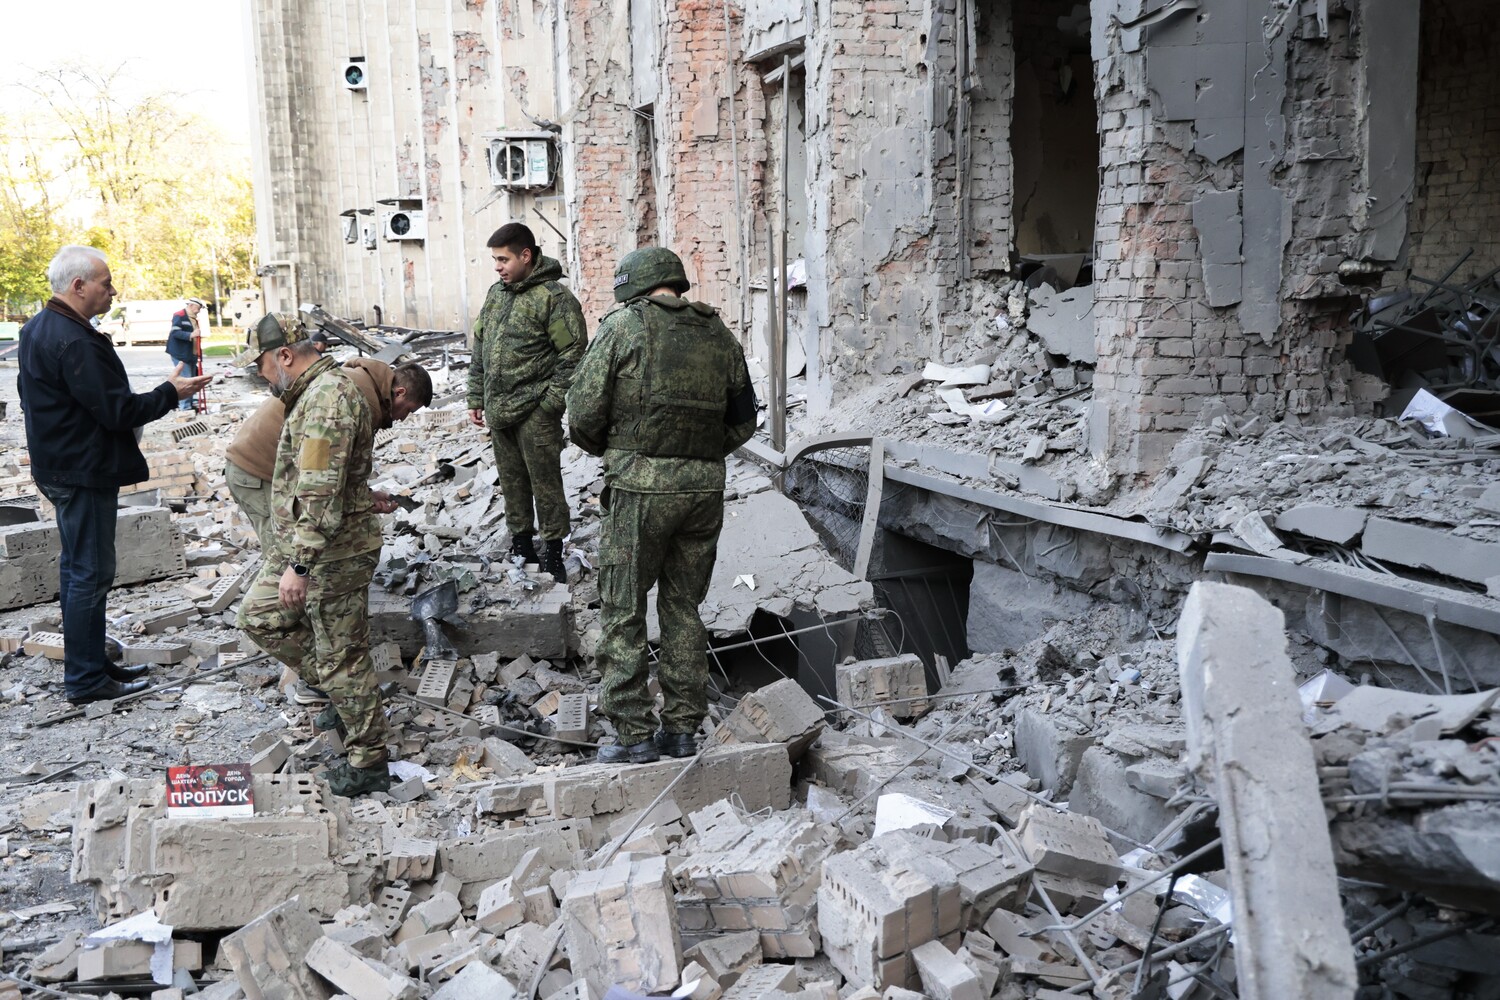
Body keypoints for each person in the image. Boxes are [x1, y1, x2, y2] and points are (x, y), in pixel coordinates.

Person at [565, 247, 757, 764]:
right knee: (683, 609)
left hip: (639, 490)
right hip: (703, 492)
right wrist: (697, 457)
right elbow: (745, 420)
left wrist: (621, 453)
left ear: (632, 285)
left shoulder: (624, 326)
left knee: (623, 607)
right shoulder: (719, 334)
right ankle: (681, 730)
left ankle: (633, 735)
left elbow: (581, 413)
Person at [17, 246, 213, 706]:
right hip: (81, 471)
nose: (113, 290)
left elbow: (34, 397)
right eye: (105, 283)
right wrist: (170, 392)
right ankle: (86, 680)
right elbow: (118, 411)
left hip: (61, 464)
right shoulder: (75, 340)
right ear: (78, 286)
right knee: (89, 573)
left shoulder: (38, 327)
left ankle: (91, 663)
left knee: (77, 571)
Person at [233, 314, 400, 797]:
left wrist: (300, 564)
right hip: (311, 546)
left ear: (285, 356)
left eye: (262, 365)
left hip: (333, 554)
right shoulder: (314, 393)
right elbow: (334, 481)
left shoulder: (327, 399)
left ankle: (368, 760)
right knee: (258, 618)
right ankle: (348, 701)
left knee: (343, 656)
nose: (262, 376)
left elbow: (321, 490)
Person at [467, 222, 585, 582]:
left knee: (545, 484)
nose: (497, 267)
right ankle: (521, 545)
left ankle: (553, 551)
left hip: (535, 410)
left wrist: (550, 404)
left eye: (503, 259)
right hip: (499, 410)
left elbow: (573, 355)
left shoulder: (553, 298)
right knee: (512, 481)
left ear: (526, 256)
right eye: (494, 260)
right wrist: (476, 395)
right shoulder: (496, 295)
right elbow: (480, 347)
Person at [226, 354, 433, 548]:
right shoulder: (361, 398)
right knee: (285, 553)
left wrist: (366, 495)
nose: (403, 418)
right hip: (255, 470)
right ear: (400, 392)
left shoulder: (364, 383)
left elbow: (340, 464)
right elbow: (326, 476)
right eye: (408, 409)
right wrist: (362, 500)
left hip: (270, 464)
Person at [167, 298, 206, 411]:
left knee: (192, 379)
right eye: (198, 308)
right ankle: (185, 408)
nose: (199, 311)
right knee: (186, 380)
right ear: (191, 306)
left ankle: (189, 404)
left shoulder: (193, 318)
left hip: (191, 354)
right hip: (181, 353)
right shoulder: (179, 315)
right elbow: (175, 333)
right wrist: (191, 335)